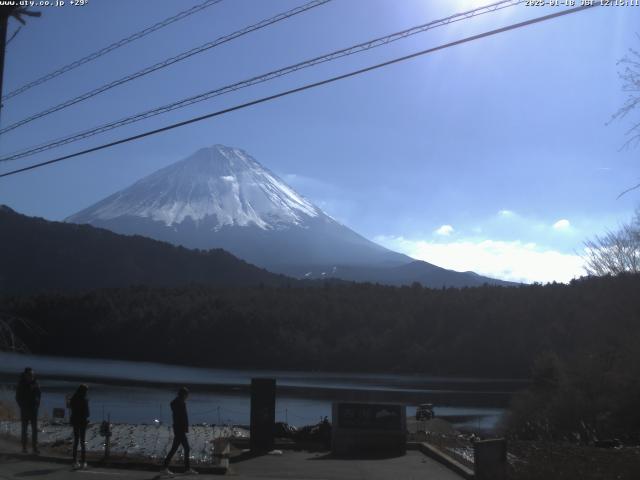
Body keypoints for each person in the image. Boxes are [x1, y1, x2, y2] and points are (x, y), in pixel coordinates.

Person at [163, 387, 197, 476]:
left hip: (178, 429)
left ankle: (164, 468)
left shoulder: (177, 403)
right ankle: (187, 469)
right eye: (187, 395)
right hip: (180, 430)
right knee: (186, 448)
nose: (188, 396)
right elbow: (181, 418)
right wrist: (184, 428)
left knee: (174, 449)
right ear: (184, 395)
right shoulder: (180, 404)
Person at [15, 367, 41, 454]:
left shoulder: (36, 383)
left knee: (34, 430)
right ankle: (24, 447)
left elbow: (39, 395)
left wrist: (37, 405)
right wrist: (22, 406)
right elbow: (18, 397)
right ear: (25, 375)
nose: (31, 376)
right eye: (29, 375)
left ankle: (34, 448)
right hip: (25, 410)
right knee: (24, 429)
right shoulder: (21, 384)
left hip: (34, 409)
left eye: (32, 375)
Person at [69, 384, 90, 469]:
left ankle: (74, 460)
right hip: (82, 422)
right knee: (82, 442)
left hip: (75, 421)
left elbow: (70, 407)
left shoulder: (73, 398)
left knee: (76, 441)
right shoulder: (84, 400)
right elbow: (87, 414)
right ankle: (83, 461)